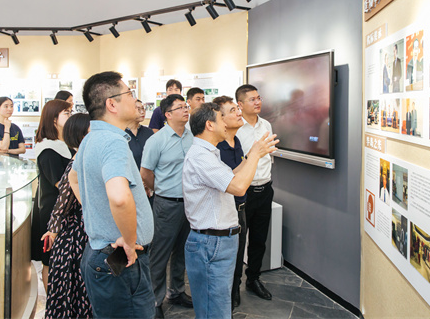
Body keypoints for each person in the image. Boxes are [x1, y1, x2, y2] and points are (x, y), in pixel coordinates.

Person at [69, 71, 154, 319]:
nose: (135, 99)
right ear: (112, 104)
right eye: (129, 93)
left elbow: (74, 178)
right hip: (120, 259)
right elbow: (119, 197)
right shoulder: (112, 142)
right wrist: (128, 240)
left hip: (100, 252)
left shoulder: (91, 138)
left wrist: (96, 210)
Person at [182, 102, 278, 319]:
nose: (226, 123)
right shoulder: (201, 157)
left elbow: (231, 176)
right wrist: (255, 155)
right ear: (209, 125)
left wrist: (252, 155)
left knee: (218, 305)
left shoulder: (209, 153)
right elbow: (238, 187)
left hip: (217, 242)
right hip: (211, 243)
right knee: (214, 309)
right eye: (221, 119)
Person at [140, 94, 194, 318]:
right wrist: (161, 189)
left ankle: (177, 291)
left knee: (182, 250)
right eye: (180, 107)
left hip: (190, 204)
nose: (186, 110)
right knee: (160, 254)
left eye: (186, 106)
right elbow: (145, 173)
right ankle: (154, 300)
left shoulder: (193, 136)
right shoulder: (156, 140)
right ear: (168, 114)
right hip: (166, 204)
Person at [42, 113, 92, 319]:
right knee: (77, 294)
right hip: (76, 238)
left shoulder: (84, 160)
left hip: (82, 233)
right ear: (81, 136)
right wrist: (53, 230)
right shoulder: (76, 163)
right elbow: (62, 204)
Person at [235, 84, 275, 301]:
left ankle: (253, 279)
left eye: (258, 98)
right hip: (244, 192)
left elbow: (269, 156)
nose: (258, 102)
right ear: (240, 104)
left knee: (259, 239)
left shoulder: (266, 124)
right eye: (252, 99)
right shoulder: (235, 127)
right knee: (239, 240)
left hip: (265, 189)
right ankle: (234, 285)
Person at [32, 99, 73, 291]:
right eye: (66, 113)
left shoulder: (66, 144)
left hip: (68, 210)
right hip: (53, 212)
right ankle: (52, 301)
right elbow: (61, 183)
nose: (70, 116)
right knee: (50, 260)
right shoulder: (48, 149)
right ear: (54, 119)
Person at [212, 96, 246, 309]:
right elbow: (230, 181)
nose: (239, 112)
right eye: (233, 110)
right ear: (221, 118)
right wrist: (253, 157)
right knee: (225, 260)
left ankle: (234, 292)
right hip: (224, 211)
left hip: (241, 207)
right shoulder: (216, 147)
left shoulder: (237, 140)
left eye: (237, 108)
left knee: (239, 253)